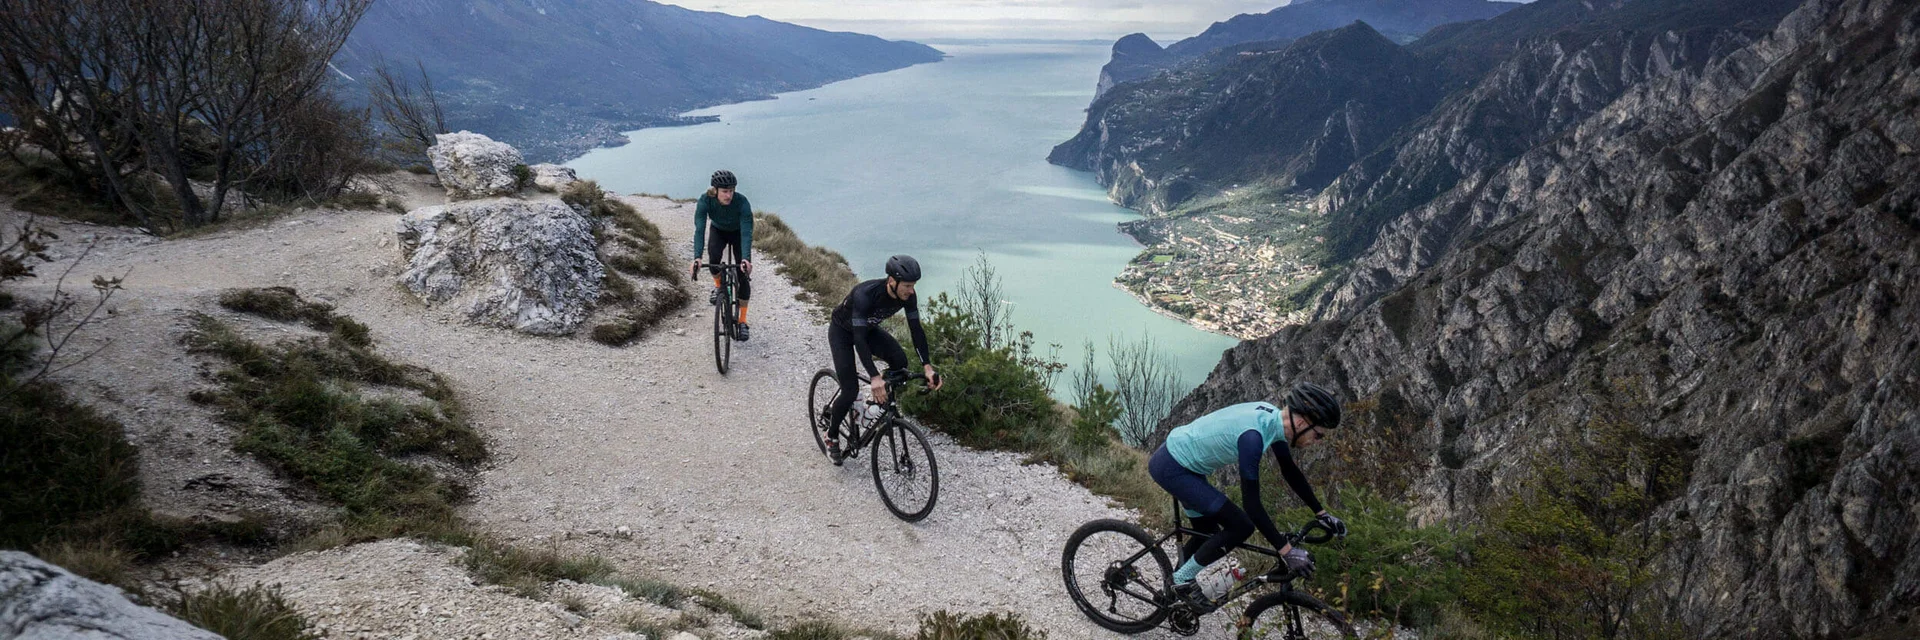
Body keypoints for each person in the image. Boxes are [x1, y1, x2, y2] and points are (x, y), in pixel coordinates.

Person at [1150, 382, 1346, 606]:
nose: (1317, 442)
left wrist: (1321, 513)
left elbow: (1290, 471)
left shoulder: (1273, 420)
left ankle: (1171, 592)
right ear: (1301, 422)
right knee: (1241, 526)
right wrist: (1286, 550)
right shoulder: (1253, 438)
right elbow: (1252, 507)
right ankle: (1180, 580)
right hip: (1172, 468)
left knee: (1207, 530)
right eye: (1318, 435)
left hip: (1186, 465)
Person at [823, 255, 943, 464]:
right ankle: (831, 436)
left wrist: (927, 367)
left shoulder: (908, 297)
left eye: (913, 285)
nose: (911, 290)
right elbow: (858, 340)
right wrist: (875, 377)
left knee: (900, 362)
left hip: (867, 329)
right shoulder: (865, 295)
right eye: (907, 285)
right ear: (891, 282)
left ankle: (873, 405)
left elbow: (917, 331)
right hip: (842, 331)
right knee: (850, 390)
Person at [690, 169, 754, 341]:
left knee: (742, 275)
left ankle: (742, 321)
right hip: (718, 230)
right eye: (725, 191)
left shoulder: (742, 202)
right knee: (714, 260)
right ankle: (719, 286)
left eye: (731, 190)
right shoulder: (706, 200)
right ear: (715, 190)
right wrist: (697, 257)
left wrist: (746, 259)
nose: (729, 195)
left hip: (738, 233)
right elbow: (700, 229)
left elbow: (747, 232)